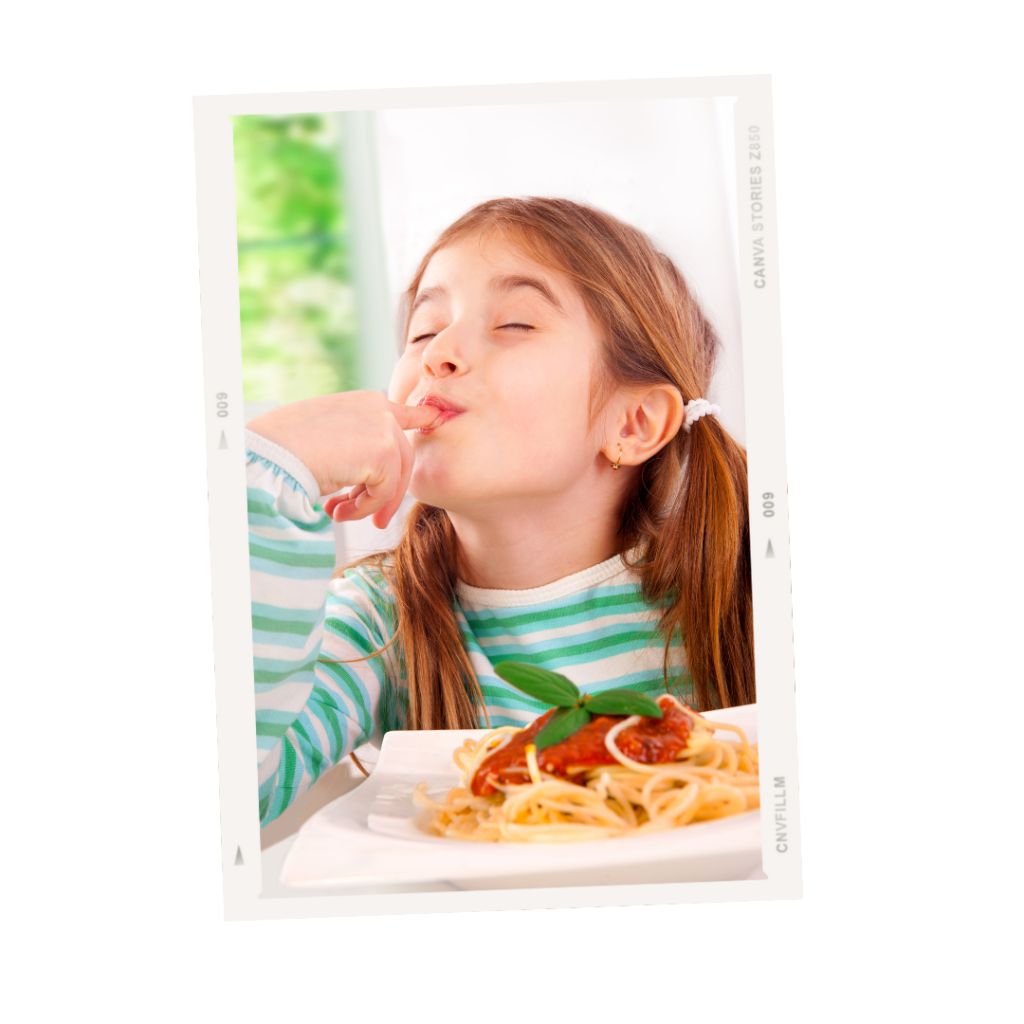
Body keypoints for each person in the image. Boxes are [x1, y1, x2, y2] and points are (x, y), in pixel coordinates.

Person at [245, 197, 753, 828]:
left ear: (634, 422)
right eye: (423, 331)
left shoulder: (741, 584)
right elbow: (239, 791)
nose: (438, 354)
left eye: (514, 324)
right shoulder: (378, 623)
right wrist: (267, 473)